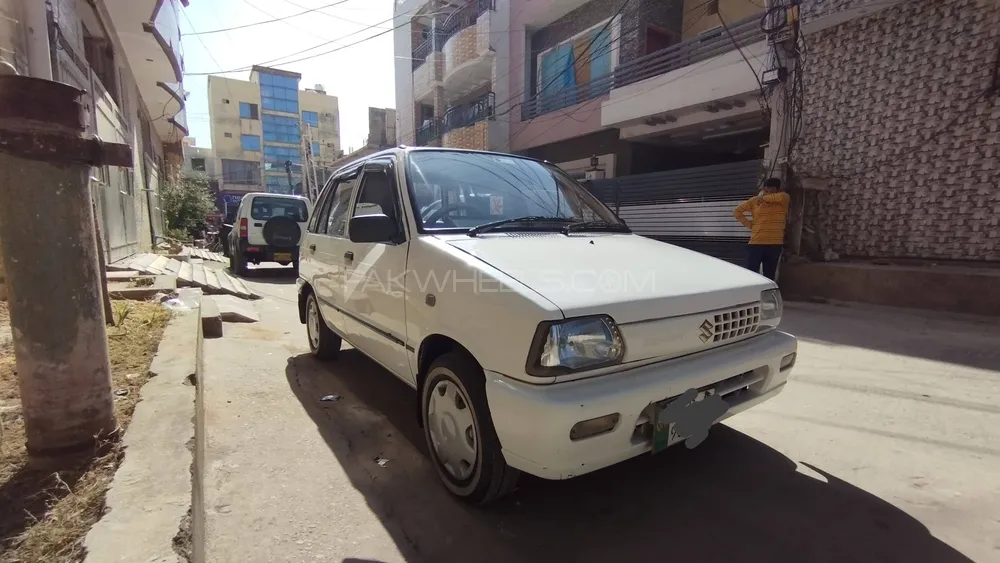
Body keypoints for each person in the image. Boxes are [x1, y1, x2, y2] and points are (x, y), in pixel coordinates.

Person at [733, 177, 790, 281]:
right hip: (756, 242)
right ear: (763, 189)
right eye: (766, 191)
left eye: (771, 191)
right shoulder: (754, 201)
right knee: (750, 273)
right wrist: (750, 225)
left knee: (769, 274)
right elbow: (737, 211)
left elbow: (780, 197)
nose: (768, 193)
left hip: (774, 244)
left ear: (777, 190)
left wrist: (761, 197)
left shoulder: (783, 198)